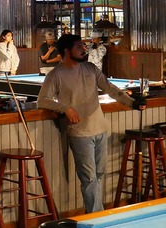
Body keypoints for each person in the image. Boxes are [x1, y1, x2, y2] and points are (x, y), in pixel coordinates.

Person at [38, 34, 146, 213]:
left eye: (84, 46)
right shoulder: (56, 74)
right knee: (89, 178)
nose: (84, 49)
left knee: (99, 175)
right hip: (80, 132)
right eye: (79, 46)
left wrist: (133, 103)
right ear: (67, 51)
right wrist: (66, 108)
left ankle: (95, 215)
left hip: (100, 128)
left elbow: (110, 89)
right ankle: (97, 218)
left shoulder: (90, 68)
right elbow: (42, 101)